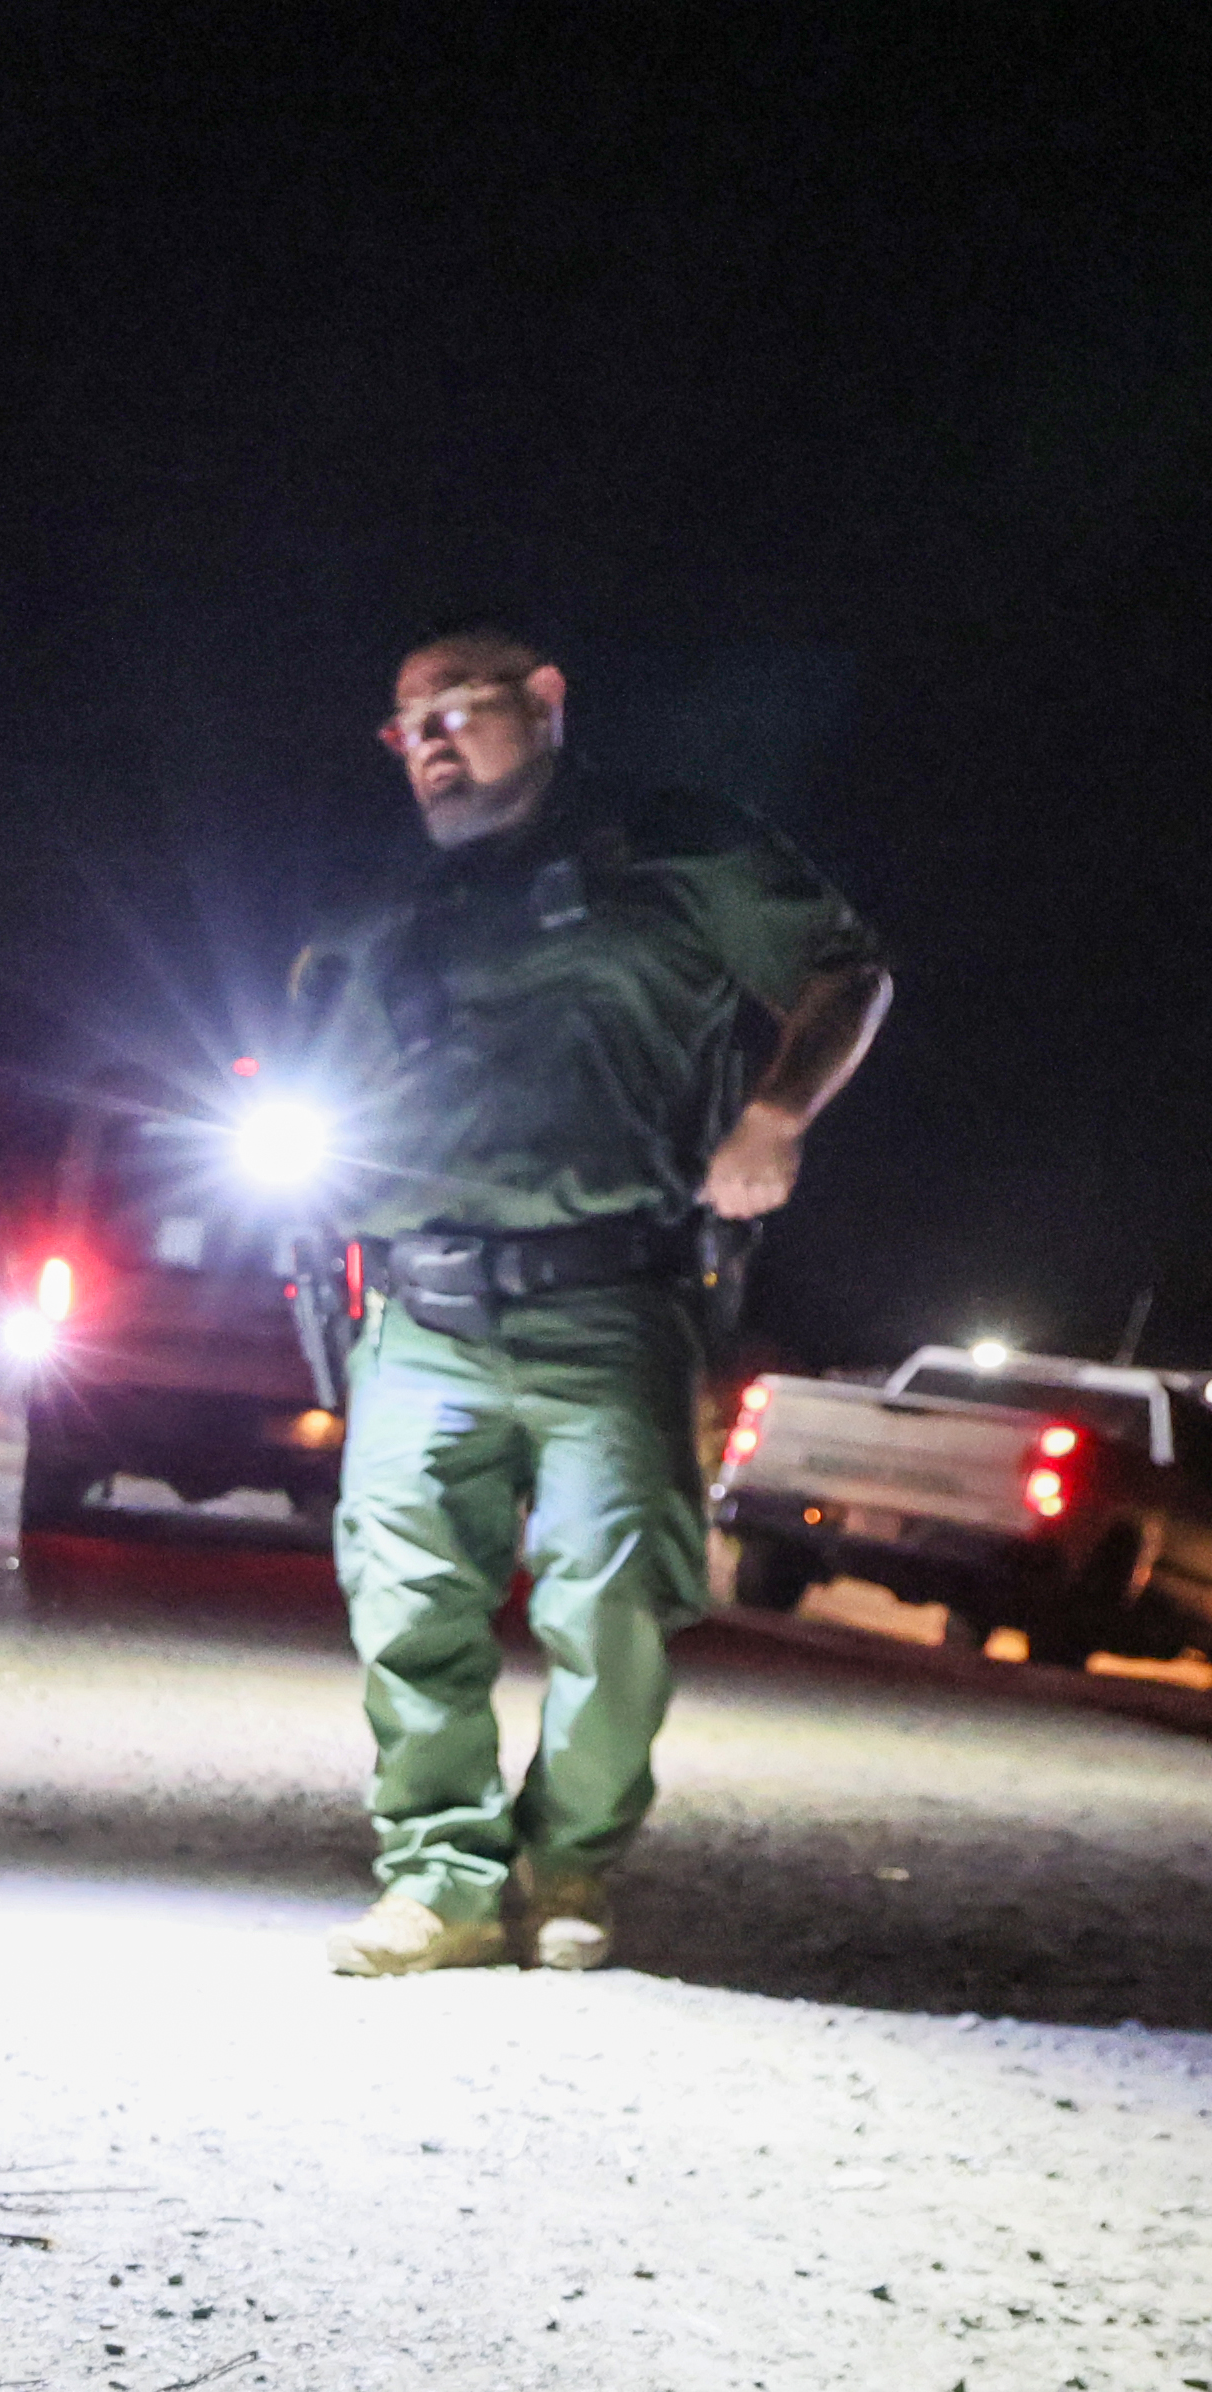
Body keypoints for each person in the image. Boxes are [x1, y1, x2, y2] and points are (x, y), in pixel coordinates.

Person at [303, 628, 888, 1979]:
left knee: (614, 1606)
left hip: (610, 1299)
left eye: (458, 709)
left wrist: (777, 1108)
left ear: (548, 701)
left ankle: (566, 1866)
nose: (431, 744)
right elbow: (304, 1051)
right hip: (417, 1309)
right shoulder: (379, 889)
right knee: (404, 1602)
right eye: (407, 727)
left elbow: (848, 971)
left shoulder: (673, 848)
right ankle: (439, 1876)